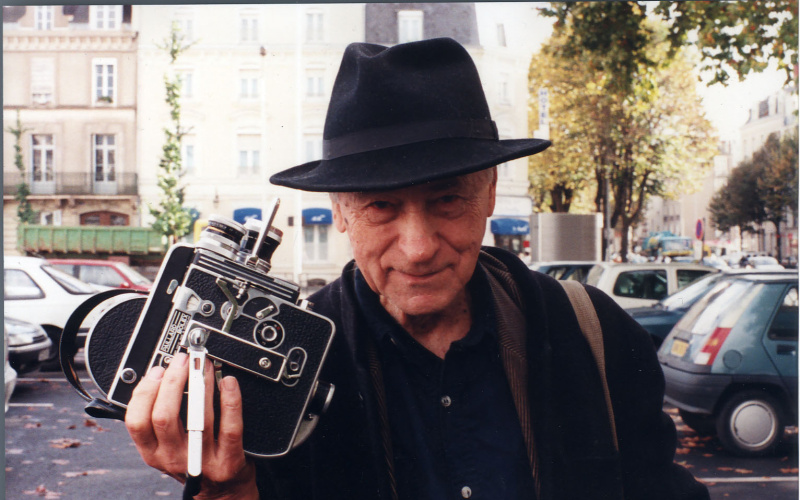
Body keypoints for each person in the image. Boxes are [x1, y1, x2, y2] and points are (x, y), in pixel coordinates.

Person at [125, 38, 710, 500]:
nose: (418, 247)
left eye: (447, 199)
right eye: (381, 205)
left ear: (489, 193)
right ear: (341, 213)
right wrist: (228, 490)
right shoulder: (273, 369)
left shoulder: (594, 334)